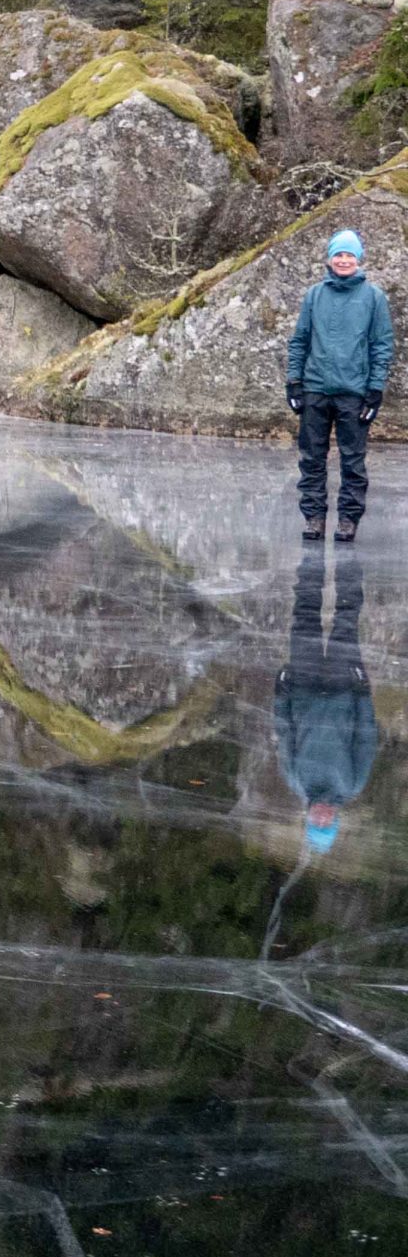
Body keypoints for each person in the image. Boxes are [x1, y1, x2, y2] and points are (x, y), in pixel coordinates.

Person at [286, 227, 393, 543]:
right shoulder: (314, 295)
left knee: (353, 461)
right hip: (315, 390)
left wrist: (375, 390)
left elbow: (381, 345)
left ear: (359, 260)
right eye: (339, 254)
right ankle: (314, 518)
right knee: (311, 459)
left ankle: (348, 520)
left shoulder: (374, 298)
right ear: (330, 259)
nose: (344, 260)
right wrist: (294, 382)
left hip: (354, 393)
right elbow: (300, 341)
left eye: (350, 255)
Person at [277, 546, 375, 859]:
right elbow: (365, 736)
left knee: (304, 616)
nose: (321, 818)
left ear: (307, 819)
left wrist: (280, 695)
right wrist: (362, 691)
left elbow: (284, 734)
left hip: (302, 688)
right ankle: (347, 546)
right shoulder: (351, 785)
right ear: (334, 821)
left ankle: (312, 549)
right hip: (342, 688)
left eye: (315, 824)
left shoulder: (295, 780)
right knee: (346, 620)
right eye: (326, 824)